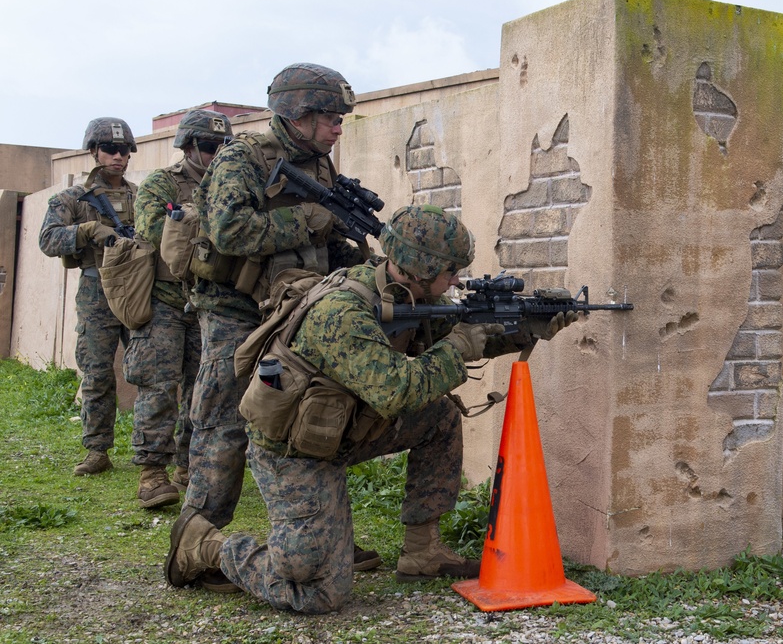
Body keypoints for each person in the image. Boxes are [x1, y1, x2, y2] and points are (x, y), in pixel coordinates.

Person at [164, 205, 578, 614]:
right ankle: (205, 544)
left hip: (346, 430)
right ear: (420, 269)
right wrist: (457, 347)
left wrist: (525, 329)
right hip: (294, 454)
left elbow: (465, 336)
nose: (457, 280)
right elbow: (397, 391)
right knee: (318, 591)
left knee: (439, 417)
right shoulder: (343, 312)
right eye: (450, 271)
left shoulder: (405, 293)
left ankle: (422, 550)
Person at [179, 63, 370, 589]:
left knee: (306, 417)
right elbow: (228, 229)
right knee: (222, 424)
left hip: (292, 309)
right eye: (330, 116)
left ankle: (325, 536)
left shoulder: (321, 166)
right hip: (235, 310)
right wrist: (309, 218)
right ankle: (196, 542)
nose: (337, 126)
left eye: (339, 118)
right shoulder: (243, 157)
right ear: (297, 114)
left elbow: (319, 240)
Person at [127, 109, 234, 509]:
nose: (216, 154)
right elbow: (155, 232)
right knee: (157, 385)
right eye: (209, 146)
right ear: (188, 146)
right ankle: (152, 472)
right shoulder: (162, 184)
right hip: (166, 302)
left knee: (200, 389)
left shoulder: (233, 182)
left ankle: (188, 464)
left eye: (224, 146)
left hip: (207, 304)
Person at [39, 118, 138, 476]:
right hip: (97, 289)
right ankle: (97, 450)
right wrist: (86, 230)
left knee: (150, 371)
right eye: (110, 149)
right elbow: (48, 240)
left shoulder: (141, 196)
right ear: (94, 152)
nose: (118, 156)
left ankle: (154, 451)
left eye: (124, 150)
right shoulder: (72, 199)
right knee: (97, 372)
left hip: (138, 287)